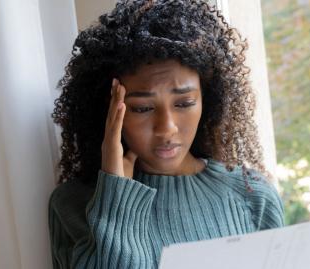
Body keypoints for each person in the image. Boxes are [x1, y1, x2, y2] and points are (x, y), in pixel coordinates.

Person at [48, 0, 285, 268]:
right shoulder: (75, 204)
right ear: (110, 111)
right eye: (143, 108)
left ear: (208, 101)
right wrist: (116, 199)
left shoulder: (252, 194)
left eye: (184, 104)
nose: (167, 128)